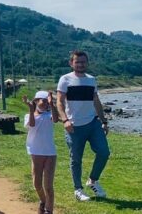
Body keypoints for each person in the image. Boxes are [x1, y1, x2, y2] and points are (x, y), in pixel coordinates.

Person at [56, 50, 110, 202]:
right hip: (74, 126)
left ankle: (92, 180)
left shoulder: (91, 80)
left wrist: (104, 121)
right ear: (71, 63)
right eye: (77, 62)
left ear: (87, 63)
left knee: (104, 152)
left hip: (93, 123)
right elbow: (59, 101)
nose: (80, 64)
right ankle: (78, 189)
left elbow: (96, 101)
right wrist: (64, 120)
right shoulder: (65, 79)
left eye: (83, 62)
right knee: (76, 159)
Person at [24, 91, 59, 214]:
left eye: (45, 100)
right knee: (37, 184)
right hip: (36, 152)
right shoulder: (28, 116)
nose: (43, 103)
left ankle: (49, 210)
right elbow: (32, 125)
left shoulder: (49, 114)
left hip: (50, 153)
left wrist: (53, 105)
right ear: (35, 101)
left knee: (48, 186)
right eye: (40, 100)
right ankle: (43, 201)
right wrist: (30, 109)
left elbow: (55, 120)